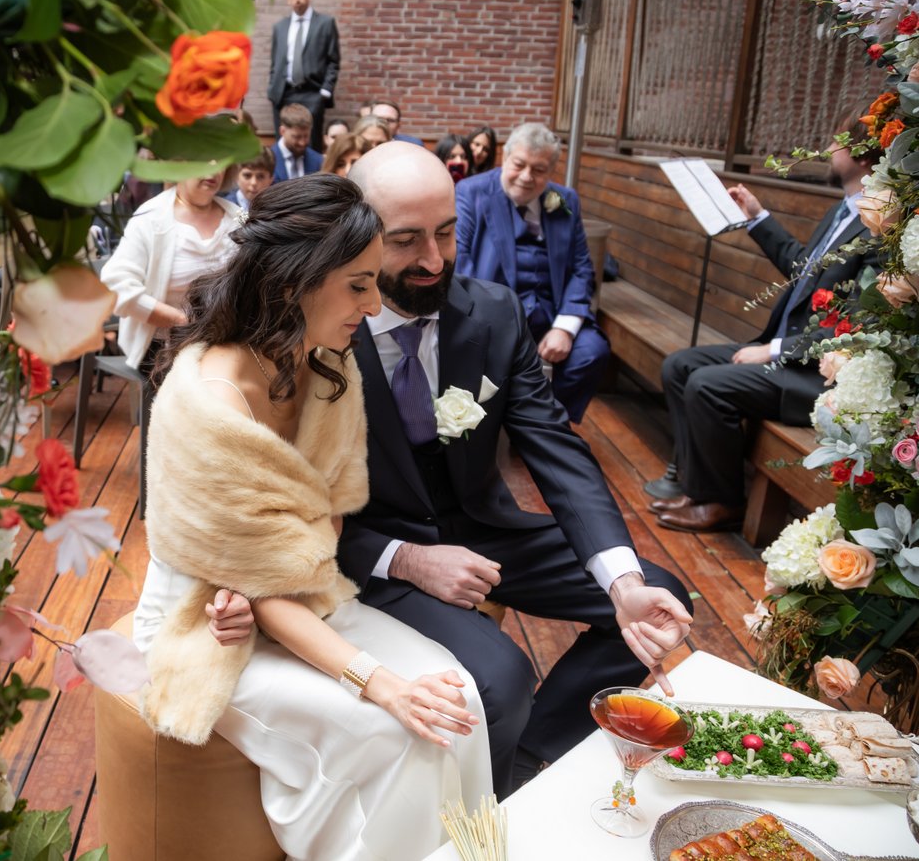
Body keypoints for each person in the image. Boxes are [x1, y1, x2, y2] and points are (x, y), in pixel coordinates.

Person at [136, 174, 494, 860]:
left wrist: (285, 565)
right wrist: (379, 682)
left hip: (302, 595)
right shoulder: (210, 401)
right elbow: (258, 589)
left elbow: (323, 523)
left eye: (372, 281)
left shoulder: (326, 363)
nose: (374, 300)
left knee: (458, 700)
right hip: (207, 624)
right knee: (395, 728)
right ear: (292, 282)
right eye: (356, 285)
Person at [337, 142, 691, 797]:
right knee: (500, 675)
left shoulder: (493, 313)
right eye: (406, 241)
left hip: (480, 526)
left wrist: (621, 582)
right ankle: (483, 809)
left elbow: (555, 446)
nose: (433, 261)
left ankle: (522, 766)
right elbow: (297, 509)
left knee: (659, 598)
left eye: (446, 233)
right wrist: (407, 560)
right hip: (368, 546)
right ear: (357, 234)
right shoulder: (324, 332)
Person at [646, 120, 882, 532]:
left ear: (859, 155)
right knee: (679, 366)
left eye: (834, 141)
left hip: (815, 375)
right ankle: (697, 483)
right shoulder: (843, 209)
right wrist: (757, 218)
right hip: (785, 354)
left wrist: (774, 350)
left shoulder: (879, 228)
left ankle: (722, 501)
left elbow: (860, 327)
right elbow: (804, 271)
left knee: (707, 384)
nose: (828, 148)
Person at [454, 123, 612, 423]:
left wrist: (564, 328)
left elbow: (581, 268)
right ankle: (510, 422)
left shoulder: (565, 200)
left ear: (551, 172)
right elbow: (461, 262)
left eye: (539, 170)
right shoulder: (471, 192)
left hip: (550, 314)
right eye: (519, 165)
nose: (527, 177)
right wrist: (487, 323)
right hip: (494, 316)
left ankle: (547, 423)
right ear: (506, 157)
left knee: (591, 352)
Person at [100, 170, 243, 372]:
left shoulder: (236, 216)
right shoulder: (151, 218)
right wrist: (183, 321)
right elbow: (115, 286)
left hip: (227, 342)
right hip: (163, 349)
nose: (214, 169)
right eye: (204, 157)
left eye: (221, 161)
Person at [267, 0, 340, 138]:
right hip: (283, 93)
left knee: (310, 142)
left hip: (312, 93)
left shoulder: (325, 23)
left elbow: (333, 61)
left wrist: (325, 92)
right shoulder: (280, 27)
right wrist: (272, 89)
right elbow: (275, 62)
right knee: (284, 144)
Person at [272, 103, 324, 181]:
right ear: (282, 131)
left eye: (306, 136)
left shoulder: (318, 161)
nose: (302, 142)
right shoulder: (268, 161)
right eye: (297, 137)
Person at [223, 147, 275, 213]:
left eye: (260, 177)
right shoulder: (223, 208)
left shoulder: (276, 209)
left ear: (271, 179)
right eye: (247, 176)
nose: (254, 183)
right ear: (236, 176)